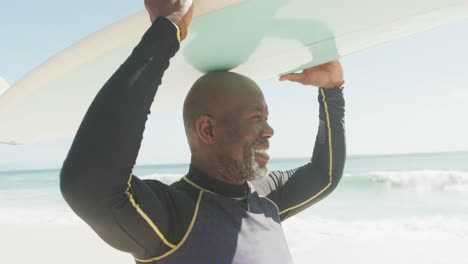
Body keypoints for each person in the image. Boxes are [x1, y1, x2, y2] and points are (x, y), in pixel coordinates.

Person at [60, 0, 346, 263]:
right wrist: (164, 36)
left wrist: (331, 92)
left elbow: (325, 174)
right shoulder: (173, 218)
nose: (269, 131)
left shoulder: (264, 198)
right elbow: (87, 186)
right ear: (207, 129)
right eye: (256, 117)